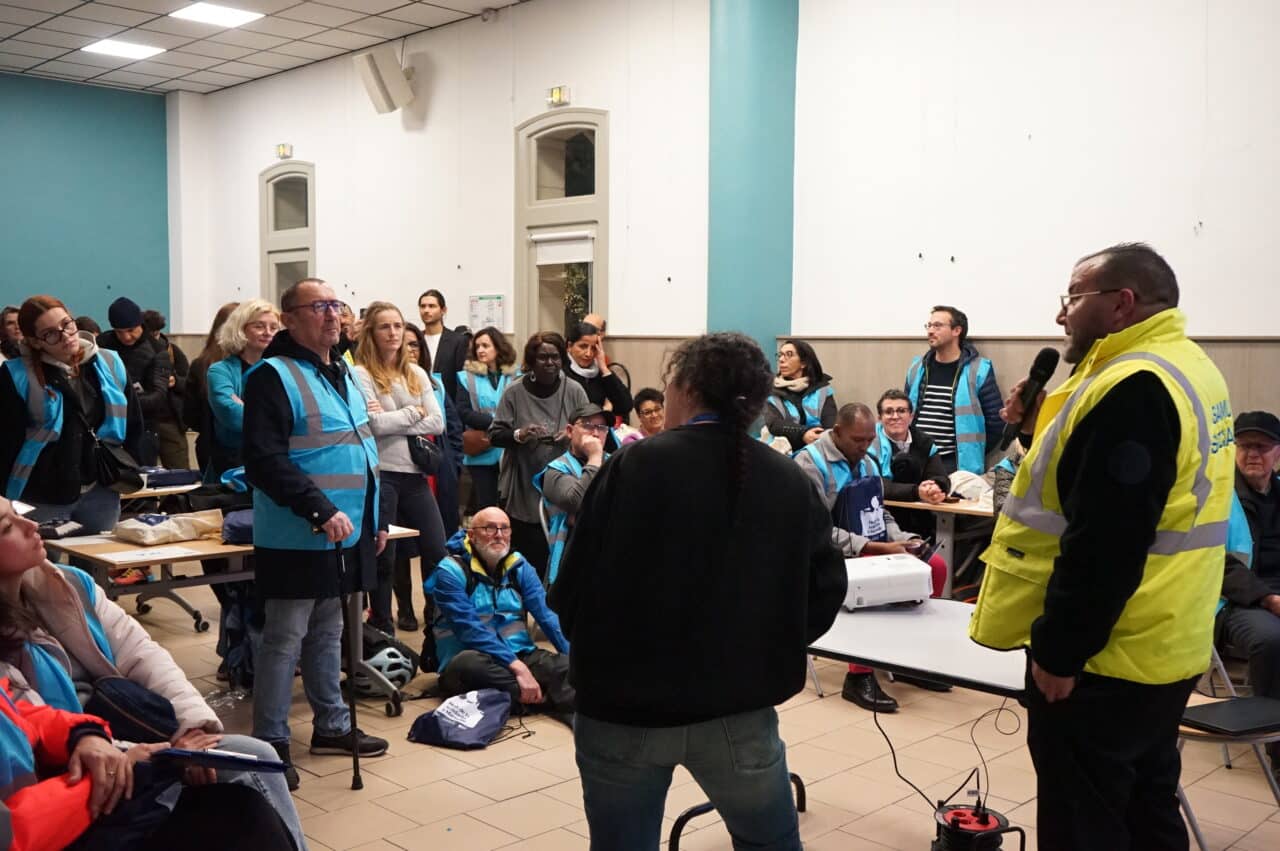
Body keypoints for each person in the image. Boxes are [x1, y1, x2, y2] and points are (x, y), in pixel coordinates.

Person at [969, 243, 1236, 851]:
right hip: (1169, 638)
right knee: (1146, 807)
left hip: (1108, 655)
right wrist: (1034, 428)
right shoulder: (1187, 365)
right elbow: (1126, 493)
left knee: (1084, 822)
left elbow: (1106, 541)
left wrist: (1062, 654)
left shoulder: (1134, 385)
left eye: (1072, 298)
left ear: (1121, 304)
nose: (1061, 316)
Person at [549, 332, 845, 850]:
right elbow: (825, 588)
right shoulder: (786, 477)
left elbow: (571, 584)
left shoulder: (634, 465)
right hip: (739, 708)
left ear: (684, 388)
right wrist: (767, 645)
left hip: (625, 707)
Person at [0, 496, 308, 850]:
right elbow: (39, 771)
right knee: (245, 797)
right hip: (81, 778)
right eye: (8, 528)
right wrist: (161, 759)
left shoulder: (68, 584)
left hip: (120, 745)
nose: (33, 526)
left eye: (19, 514)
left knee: (253, 764)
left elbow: (144, 656)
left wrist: (192, 728)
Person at [241, 278, 389, 788]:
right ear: (290, 318)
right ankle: (270, 741)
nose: (333, 315)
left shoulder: (342, 369)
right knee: (284, 639)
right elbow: (264, 460)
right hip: (297, 532)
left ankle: (331, 724)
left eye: (337, 305)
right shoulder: (270, 376)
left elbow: (363, 447)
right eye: (320, 307)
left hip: (346, 531)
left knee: (330, 632)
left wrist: (376, 518)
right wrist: (318, 509)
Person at [795, 402, 951, 711]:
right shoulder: (809, 464)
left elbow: (879, 512)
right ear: (837, 432)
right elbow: (815, 530)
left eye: (869, 440)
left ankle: (909, 661)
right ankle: (858, 677)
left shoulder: (867, 462)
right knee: (868, 584)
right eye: (857, 440)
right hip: (825, 555)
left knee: (934, 566)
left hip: (871, 549)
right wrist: (872, 547)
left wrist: (905, 540)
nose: (864, 447)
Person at [0, 297, 143, 535]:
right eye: (51, 334)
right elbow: (6, 442)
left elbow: (134, 425)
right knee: (42, 568)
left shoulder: (110, 362)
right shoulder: (16, 375)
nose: (66, 336)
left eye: (68, 324)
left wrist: (129, 469)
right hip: (42, 493)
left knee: (98, 565)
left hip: (101, 489)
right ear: (35, 342)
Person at [351, 301, 447, 636]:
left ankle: (437, 619)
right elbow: (372, 424)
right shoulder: (360, 374)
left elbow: (438, 420)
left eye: (397, 326)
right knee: (385, 557)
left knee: (437, 549)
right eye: (384, 327)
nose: (393, 333)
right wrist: (414, 413)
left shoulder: (416, 373)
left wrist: (401, 418)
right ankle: (382, 625)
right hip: (382, 475)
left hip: (415, 475)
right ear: (372, 333)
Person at [426, 507, 573, 722]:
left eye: (504, 528)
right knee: (468, 666)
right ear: (471, 535)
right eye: (489, 528)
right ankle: (545, 696)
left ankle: (526, 698)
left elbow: (548, 617)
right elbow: (471, 631)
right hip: (472, 658)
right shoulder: (449, 571)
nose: (498, 534)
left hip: (519, 654)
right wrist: (519, 669)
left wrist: (574, 659)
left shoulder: (519, 566)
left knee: (567, 667)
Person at [488, 332, 590, 579]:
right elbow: (495, 435)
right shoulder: (514, 392)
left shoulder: (574, 390)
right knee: (526, 560)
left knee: (560, 561)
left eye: (555, 357)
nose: (550, 363)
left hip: (565, 484)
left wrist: (571, 435)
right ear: (531, 361)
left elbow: (590, 430)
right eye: (543, 357)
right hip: (524, 484)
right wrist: (520, 434)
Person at [1218, 410, 1280, 780]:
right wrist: (1268, 600)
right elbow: (1215, 562)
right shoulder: (1218, 497)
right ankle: (1278, 751)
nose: (1252, 454)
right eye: (1243, 446)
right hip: (1237, 600)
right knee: (1273, 640)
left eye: (1262, 446)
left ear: (1277, 452)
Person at [904, 305, 1003, 475]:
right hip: (917, 459)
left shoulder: (978, 370)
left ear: (957, 330)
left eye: (938, 326)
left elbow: (996, 421)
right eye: (929, 326)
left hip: (954, 464)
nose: (930, 331)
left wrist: (972, 450)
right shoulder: (917, 367)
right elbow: (905, 413)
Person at [96, 297, 184, 470]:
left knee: (141, 483)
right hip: (106, 426)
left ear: (140, 324)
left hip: (144, 428)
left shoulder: (157, 350)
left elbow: (158, 397)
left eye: (130, 330)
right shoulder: (102, 344)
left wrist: (117, 401)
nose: (125, 337)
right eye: (119, 331)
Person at [533, 404, 610, 586]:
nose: (596, 433)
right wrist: (594, 459)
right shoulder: (555, 470)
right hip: (572, 558)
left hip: (608, 550)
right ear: (569, 430)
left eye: (602, 428)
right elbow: (576, 501)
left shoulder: (615, 463)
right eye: (588, 426)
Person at [205, 300, 279, 482]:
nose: (268, 332)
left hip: (276, 466)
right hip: (233, 470)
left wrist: (246, 407)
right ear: (241, 329)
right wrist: (276, 418)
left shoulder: (283, 370)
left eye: (274, 327)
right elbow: (232, 415)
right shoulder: (220, 371)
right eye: (259, 326)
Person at [868, 388, 951, 537]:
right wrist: (917, 492)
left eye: (901, 411)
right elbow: (876, 486)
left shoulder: (925, 442)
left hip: (920, 517)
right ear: (879, 418)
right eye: (888, 412)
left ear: (911, 416)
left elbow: (941, 477)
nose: (895, 416)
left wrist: (936, 488)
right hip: (879, 518)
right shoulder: (869, 443)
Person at [456, 326, 519, 511]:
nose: (481, 350)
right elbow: (463, 411)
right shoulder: (466, 377)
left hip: (509, 451)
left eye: (486, 345)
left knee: (510, 505)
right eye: (477, 346)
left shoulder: (516, 376)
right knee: (487, 506)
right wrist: (496, 423)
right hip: (482, 450)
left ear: (498, 348)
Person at [184, 302, 239, 474]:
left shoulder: (201, 364)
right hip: (227, 450)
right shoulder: (214, 367)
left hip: (210, 446)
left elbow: (190, 416)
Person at [766, 338, 836, 452]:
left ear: (803, 363)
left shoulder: (823, 389)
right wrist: (803, 434)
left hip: (817, 446)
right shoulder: (772, 390)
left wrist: (815, 437)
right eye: (780, 355)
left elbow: (830, 424)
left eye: (789, 355)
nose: (782, 360)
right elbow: (774, 424)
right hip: (783, 451)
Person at [141, 309, 191, 470]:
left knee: (179, 471)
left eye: (157, 333)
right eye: (150, 334)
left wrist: (175, 382)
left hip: (170, 420)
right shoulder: (137, 352)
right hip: (145, 421)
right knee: (144, 473)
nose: (154, 338)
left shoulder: (173, 351)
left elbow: (189, 383)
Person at [564, 321, 632, 423]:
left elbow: (625, 406)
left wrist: (604, 369)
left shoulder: (599, 373)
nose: (588, 353)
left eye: (594, 348)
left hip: (597, 431)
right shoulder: (561, 372)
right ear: (569, 346)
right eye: (583, 346)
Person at [417, 289, 469, 404]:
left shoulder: (458, 341)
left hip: (447, 403)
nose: (426, 310)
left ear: (443, 310)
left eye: (432, 306)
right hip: (419, 402)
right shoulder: (415, 339)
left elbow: (461, 380)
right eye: (423, 306)